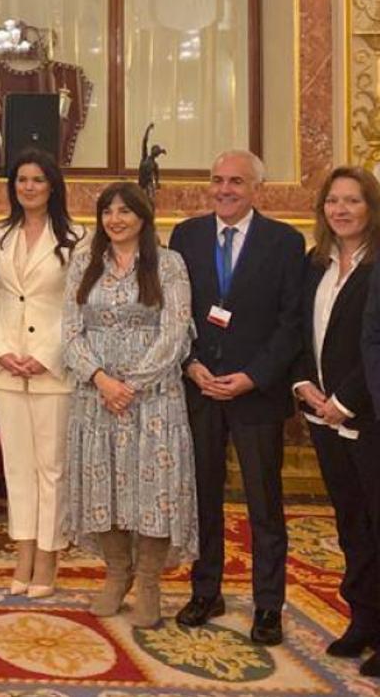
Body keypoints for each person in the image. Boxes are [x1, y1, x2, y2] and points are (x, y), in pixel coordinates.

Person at [168, 150, 304, 645]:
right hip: (201, 388)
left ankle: (268, 605)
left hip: (255, 395)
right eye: (218, 180)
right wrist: (190, 364)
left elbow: (292, 323)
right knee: (202, 497)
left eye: (236, 182)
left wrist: (253, 376)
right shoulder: (186, 236)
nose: (224, 189)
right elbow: (175, 312)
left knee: (264, 504)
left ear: (256, 190)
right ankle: (206, 591)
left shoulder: (285, 242)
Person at [62, 181, 197, 628]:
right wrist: (102, 381)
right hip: (97, 397)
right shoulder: (84, 261)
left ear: (143, 216)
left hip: (153, 400)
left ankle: (150, 584)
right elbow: (69, 331)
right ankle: (117, 575)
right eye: (107, 211)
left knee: (154, 491)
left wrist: (131, 385)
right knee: (105, 487)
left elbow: (175, 332)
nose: (115, 220)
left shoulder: (169, 263)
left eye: (125, 211)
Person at [0, 148, 83, 597]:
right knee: (17, 467)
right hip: (5, 368)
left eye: (38, 179)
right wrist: (2, 351)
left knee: (51, 468)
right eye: (21, 179)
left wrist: (44, 354)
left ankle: (48, 558)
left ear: (53, 185)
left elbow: (77, 306)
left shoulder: (77, 238)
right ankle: (23, 553)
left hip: (52, 369)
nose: (29, 187)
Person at [307, 167, 380, 678]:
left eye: (352, 200)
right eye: (333, 201)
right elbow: (300, 328)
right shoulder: (317, 262)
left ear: (371, 208)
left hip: (368, 414)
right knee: (352, 523)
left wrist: (346, 401)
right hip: (323, 417)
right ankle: (364, 620)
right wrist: (304, 387)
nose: (341, 210)